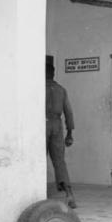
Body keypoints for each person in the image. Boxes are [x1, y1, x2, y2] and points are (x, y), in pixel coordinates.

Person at [46, 63, 76, 208]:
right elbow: (68, 113)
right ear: (53, 73)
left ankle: (38, 194)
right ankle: (69, 194)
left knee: (39, 159)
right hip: (57, 124)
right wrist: (69, 133)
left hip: (42, 124)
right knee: (59, 161)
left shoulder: (38, 88)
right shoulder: (61, 90)